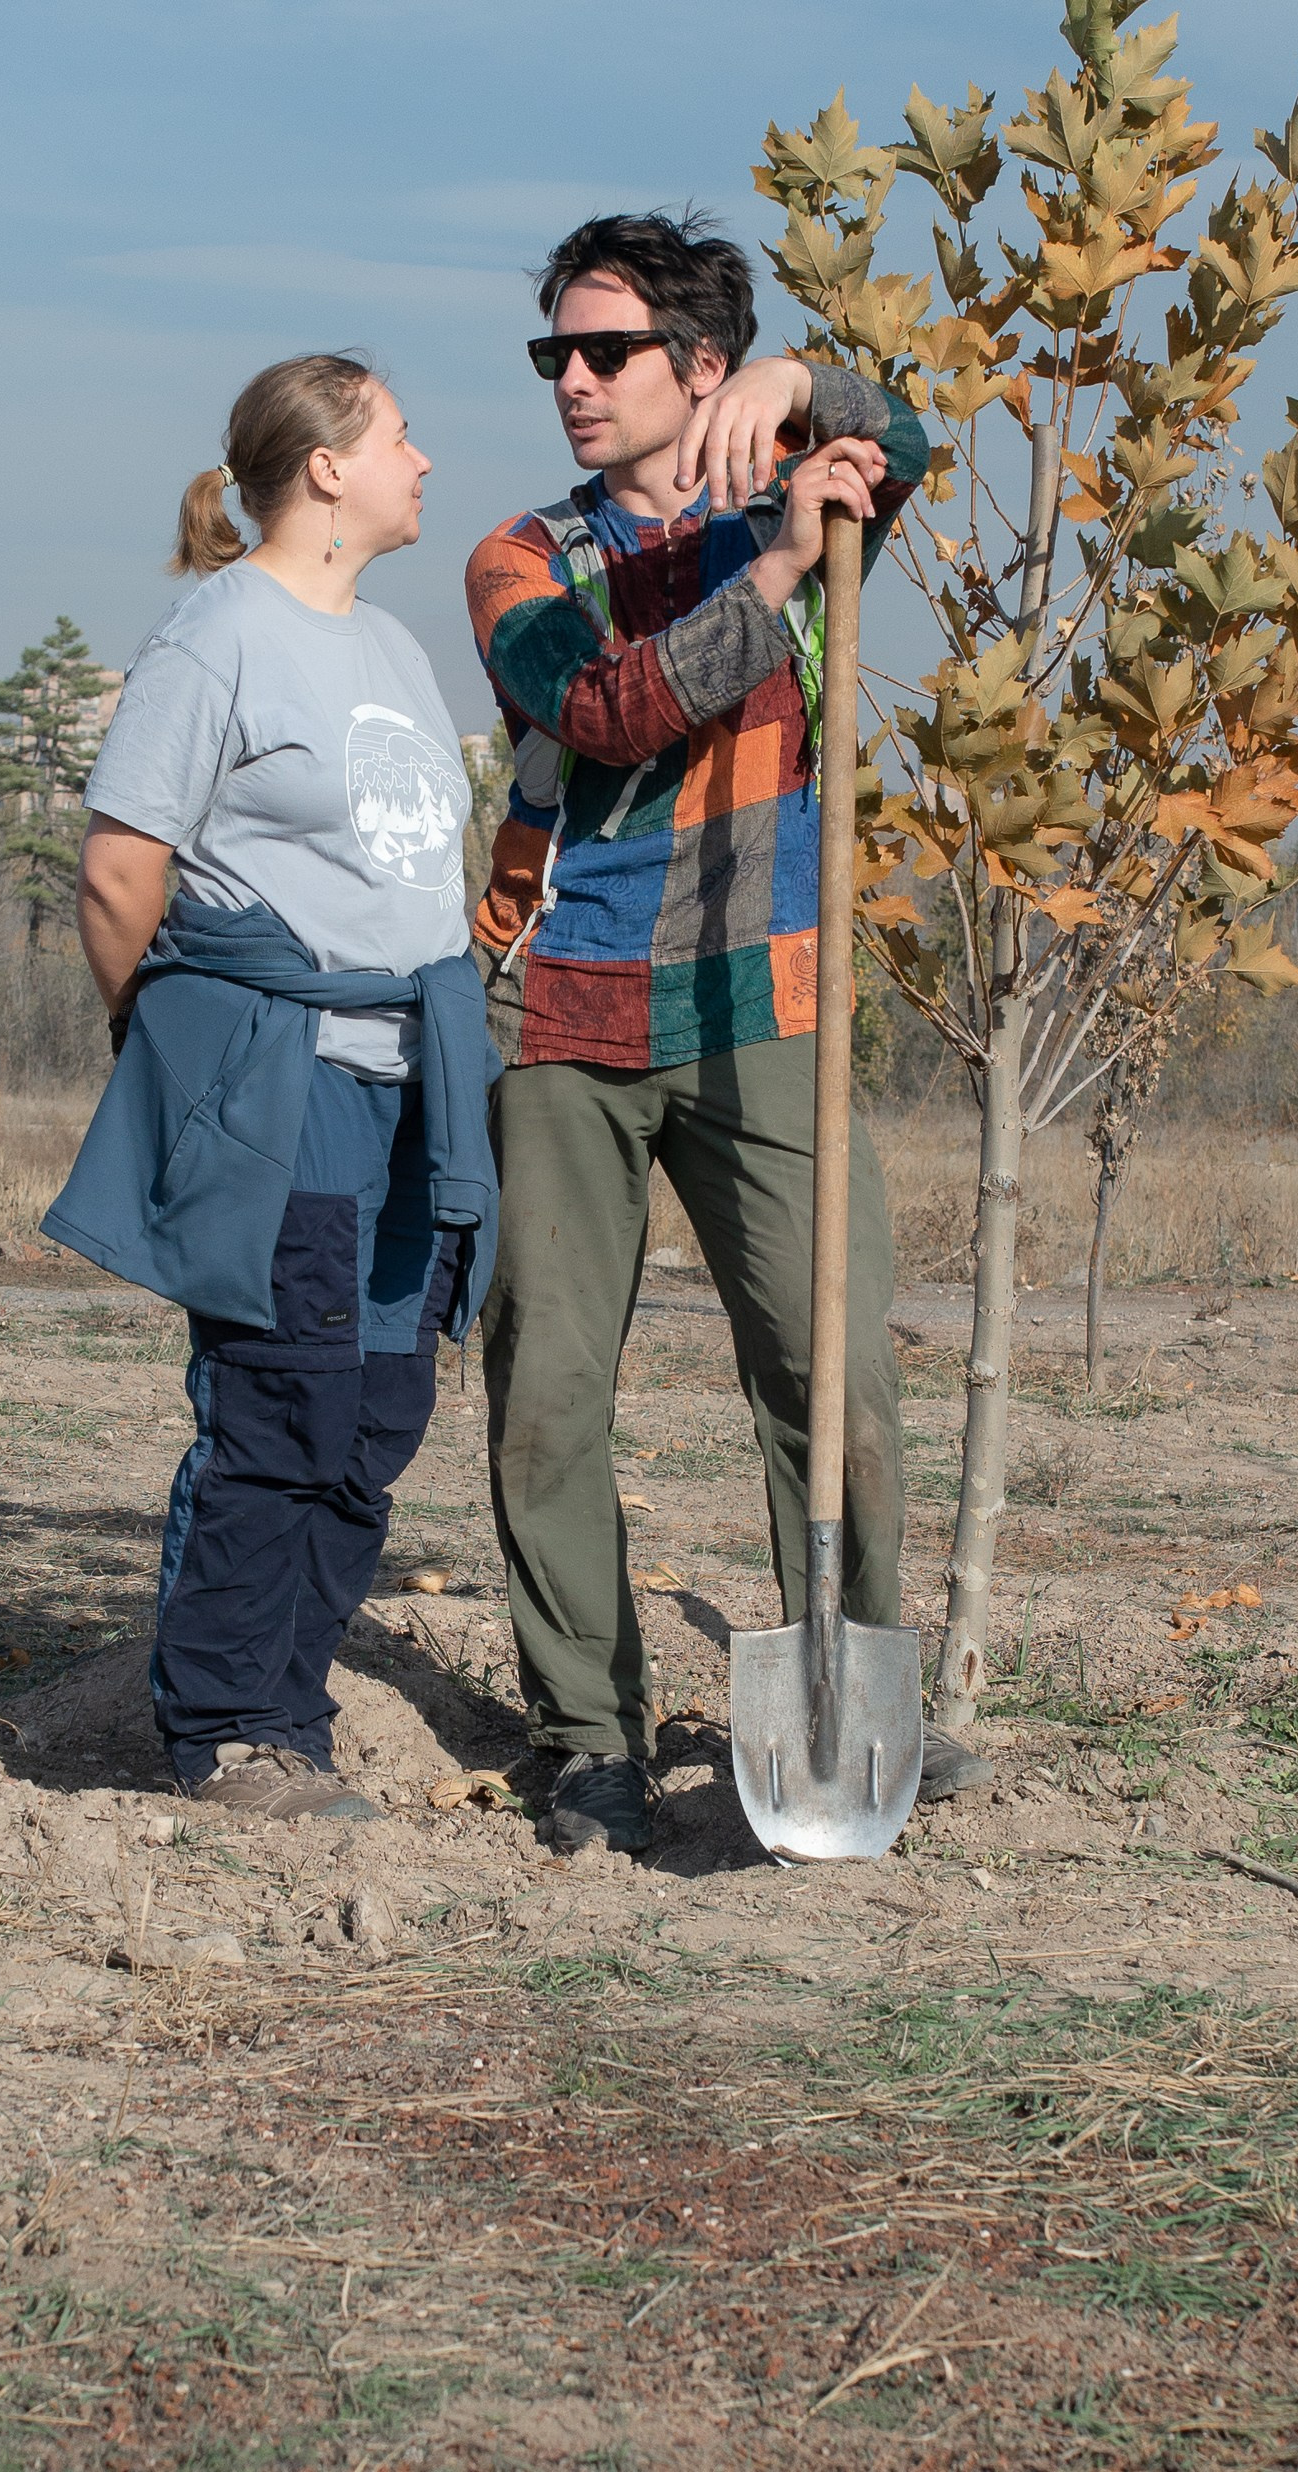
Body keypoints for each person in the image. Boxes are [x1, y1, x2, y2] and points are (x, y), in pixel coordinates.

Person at [464, 211, 991, 1854]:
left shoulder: (812, 496)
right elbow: (611, 710)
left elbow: (904, 431)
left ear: (695, 367)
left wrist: (802, 380)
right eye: (553, 351)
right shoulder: (521, 557)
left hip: (766, 1005)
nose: (569, 379)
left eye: (603, 350)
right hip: (562, 1009)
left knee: (828, 1377)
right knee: (548, 1390)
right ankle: (588, 1734)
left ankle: (854, 1684)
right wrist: (768, 569)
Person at [44, 354, 498, 1823]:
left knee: (374, 1417)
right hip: (283, 1084)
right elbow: (121, 869)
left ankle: (289, 1713)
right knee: (283, 1406)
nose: (424, 461)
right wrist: (165, 1043)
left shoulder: (390, 648)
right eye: (402, 435)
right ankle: (229, 1730)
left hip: (411, 1090)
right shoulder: (217, 635)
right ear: (323, 465)